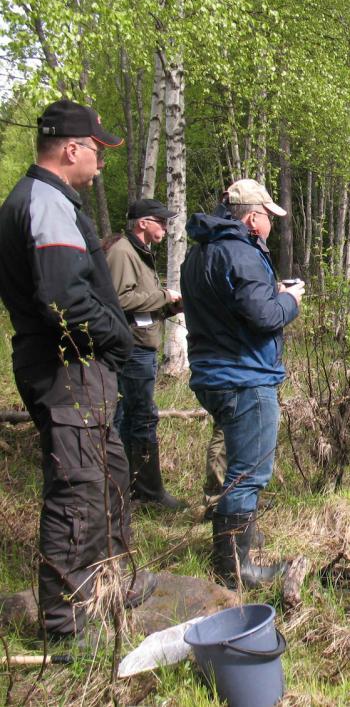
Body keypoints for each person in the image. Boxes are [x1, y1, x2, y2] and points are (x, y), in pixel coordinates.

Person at [0, 99, 154, 638]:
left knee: (108, 475)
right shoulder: (45, 204)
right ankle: (65, 625)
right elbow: (64, 300)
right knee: (77, 490)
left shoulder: (51, 201)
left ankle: (112, 582)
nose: (100, 162)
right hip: (66, 370)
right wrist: (120, 342)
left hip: (80, 369)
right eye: (96, 150)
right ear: (71, 149)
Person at [181, 178, 305, 588]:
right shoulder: (243, 255)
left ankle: (239, 543)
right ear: (253, 217)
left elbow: (232, 309)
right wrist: (289, 300)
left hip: (214, 372)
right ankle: (235, 568)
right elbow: (265, 317)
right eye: (269, 216)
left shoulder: (199, 255)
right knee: (248, 473)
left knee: (238, 467)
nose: (271, 223)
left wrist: (271, 293)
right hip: (244, 375)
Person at [105, 199, 185, 510]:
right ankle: (147, 493)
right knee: (140, 418)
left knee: (130, 417)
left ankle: (128, 490)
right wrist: (164, 295)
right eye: (160, 222)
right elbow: (119, 300)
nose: (165, 228)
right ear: (143, 223)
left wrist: (167, 306)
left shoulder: (138, 252)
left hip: (139, 344)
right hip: (132, 348)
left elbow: (140, 303)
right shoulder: (123, 252)